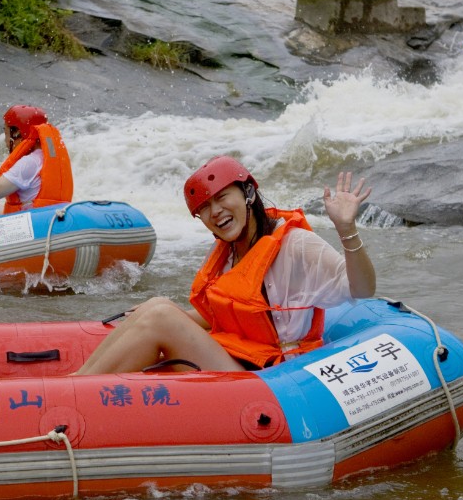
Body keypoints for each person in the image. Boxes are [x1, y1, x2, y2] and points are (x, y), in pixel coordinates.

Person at [75, 156, 377, 375]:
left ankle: (73, 391)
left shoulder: (296, 245)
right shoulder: (228, 251)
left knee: (161, 314)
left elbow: (361, 289)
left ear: (247, 193)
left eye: (221, 198)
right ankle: (74, 383)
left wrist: (346, 230)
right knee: (154, 307)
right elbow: (228, 314)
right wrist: (146, 316)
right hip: (237, 357)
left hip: (274, 376)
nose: (215, 212)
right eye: (204, 208)